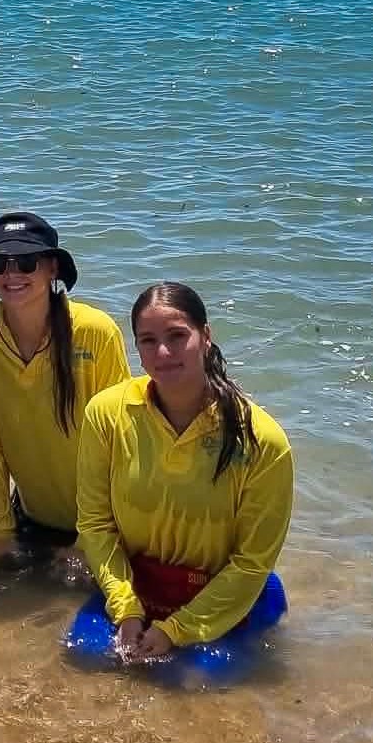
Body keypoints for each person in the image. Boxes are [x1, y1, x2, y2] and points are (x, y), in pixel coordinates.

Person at [70, 281, 293, 681]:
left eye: (177, 336)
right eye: (148, 341)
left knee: (187, 682)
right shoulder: (106, 414)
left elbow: (251, 562)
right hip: (140, 585)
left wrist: (177, 630)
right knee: (85, 659)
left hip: (224, 592)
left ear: (206, 336)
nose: (164, 353)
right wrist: (127, 611)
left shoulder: (262, 440)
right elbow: (95, 524)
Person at [0, 211, 130, 563]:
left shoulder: (96, 331)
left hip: (106, 525)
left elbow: (120, 448)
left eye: (26, 262)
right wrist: (0, 533)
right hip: (31, 519)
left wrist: (88, 540)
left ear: (52, 268)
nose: (12, 274)